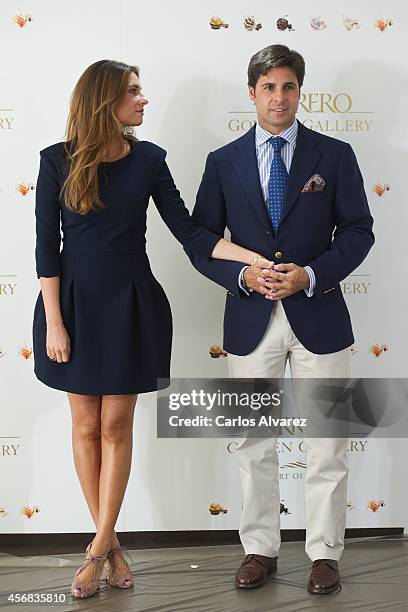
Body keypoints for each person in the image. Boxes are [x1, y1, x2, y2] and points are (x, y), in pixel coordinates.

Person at [32, 59, 271, 600]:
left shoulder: (150, 160)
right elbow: (47, 247)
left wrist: (250, 256)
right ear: (106, 99)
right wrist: (54, 321)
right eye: (135, 92)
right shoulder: (55, 161)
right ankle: (111, 545)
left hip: (129, 304)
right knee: (84, 427)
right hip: (70, 304)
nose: (144, 100)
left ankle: (95, 551)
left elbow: (190, 231)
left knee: (115, 426)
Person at [186, 44, 374, 595]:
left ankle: (324, 555)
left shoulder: (335, 156)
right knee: (253, 443)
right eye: (268, 87)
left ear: (300, 91)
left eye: (288, 86)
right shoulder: (223, 162)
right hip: (249, 322)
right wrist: (243, 278)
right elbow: (202, 241)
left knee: (328, 441)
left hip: (322, 319)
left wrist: (310, 275)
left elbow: (359, 231)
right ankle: (259, 550)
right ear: (251, 92)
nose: (278, 97)